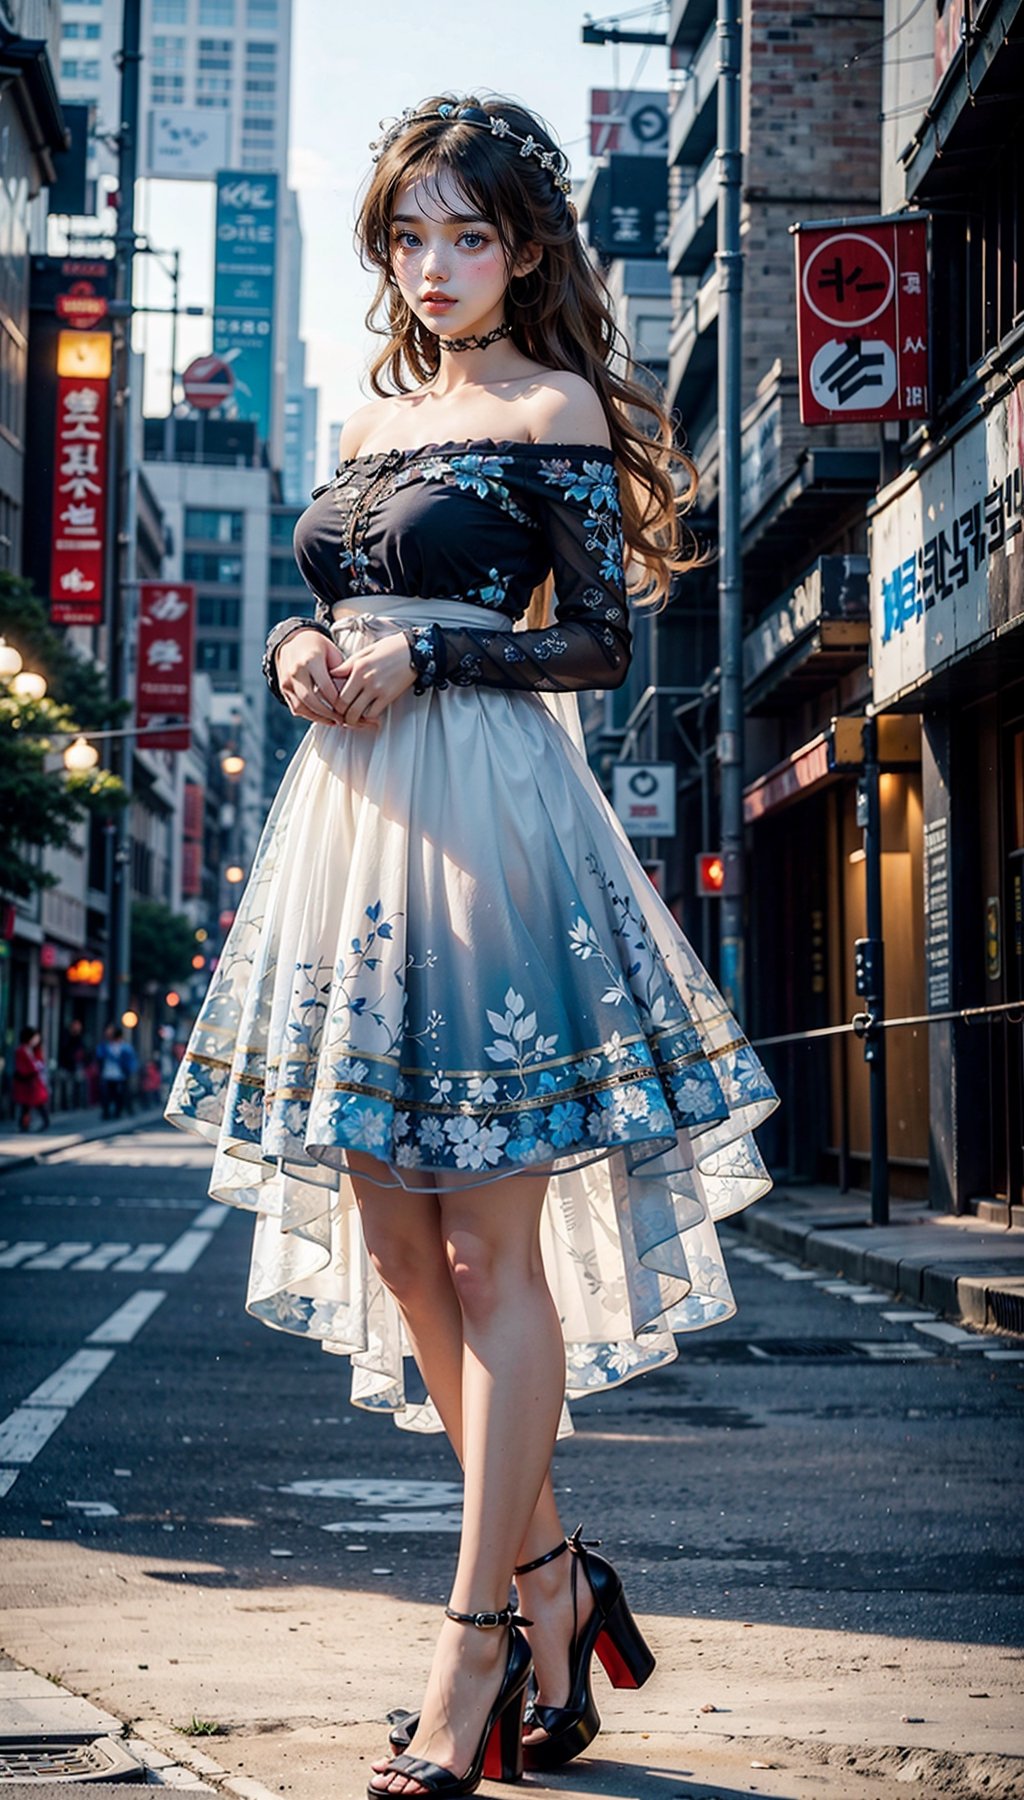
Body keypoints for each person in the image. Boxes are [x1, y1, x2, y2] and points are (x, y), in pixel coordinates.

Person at [165, 93, 779, 1800]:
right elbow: (340, 579)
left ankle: (465, 1656)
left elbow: (593, 641)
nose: (434, 267)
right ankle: (557, 1584)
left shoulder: (553, 401)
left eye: (469, 236)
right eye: (410, 236)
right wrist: (298, 641)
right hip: (349, 828)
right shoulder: (372, 402)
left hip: (487, 828)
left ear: (523, 249)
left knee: (491, 1256)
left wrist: (430, 662)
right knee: (398, 1251)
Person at [13, 1027, 49, 1132]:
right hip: (27, 1083)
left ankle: (27, 1124)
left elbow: (39, 1062)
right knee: (28, 1105)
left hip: (33, 1083)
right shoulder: (22, 1051)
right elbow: (24, 1067)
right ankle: (25, 1124)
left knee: (34, 1104)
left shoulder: (33, 1050)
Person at [96, 1023, 128, 1120]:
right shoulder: (105, 1046)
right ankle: (106, 1112)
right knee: (106, 1095)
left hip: (119, 1075)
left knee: (118, 1095)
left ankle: (117, 1112)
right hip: (107, 1074)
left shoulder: (124, 1047)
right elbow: (99, 1057)